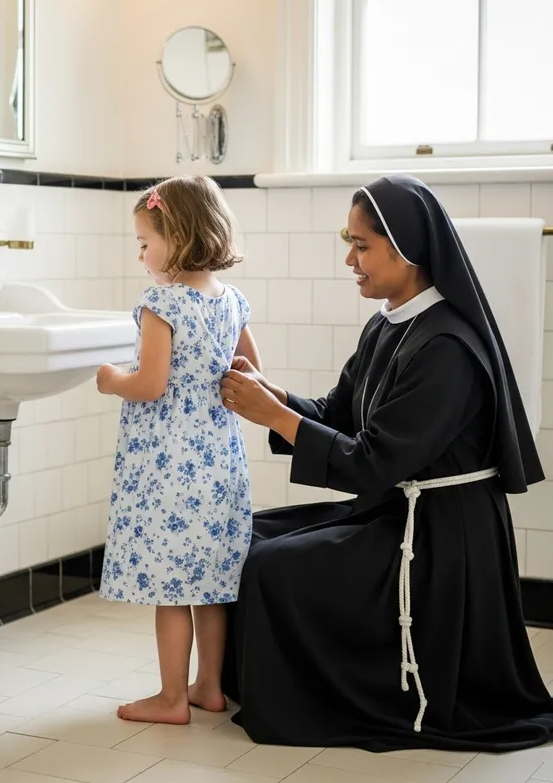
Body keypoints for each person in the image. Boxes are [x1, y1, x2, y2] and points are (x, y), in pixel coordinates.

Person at [218, 173, 553, 753]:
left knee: (276, 567)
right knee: (243, 538)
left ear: (409, 248)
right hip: (394, 510)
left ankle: (317, 702)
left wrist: (274, 417)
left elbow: (373, 462)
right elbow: (338, 413)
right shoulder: (388, 325)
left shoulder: (446, 346)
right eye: (347, 241)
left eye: (362, 244)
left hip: (440, 538)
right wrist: (273, 396)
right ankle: (257, 691)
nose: (350, 258)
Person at [96, 175, 260, 725]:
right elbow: (251, 371)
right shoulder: (232, 300)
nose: (141, 255)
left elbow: (151, 384)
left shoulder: (161, 302)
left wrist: (112, 378)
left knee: (171, 587)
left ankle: (170, 699)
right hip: (217, 461)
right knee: (210, 585)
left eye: (145, 243)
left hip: (168, 468)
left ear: (179, 237)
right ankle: (208, 687)